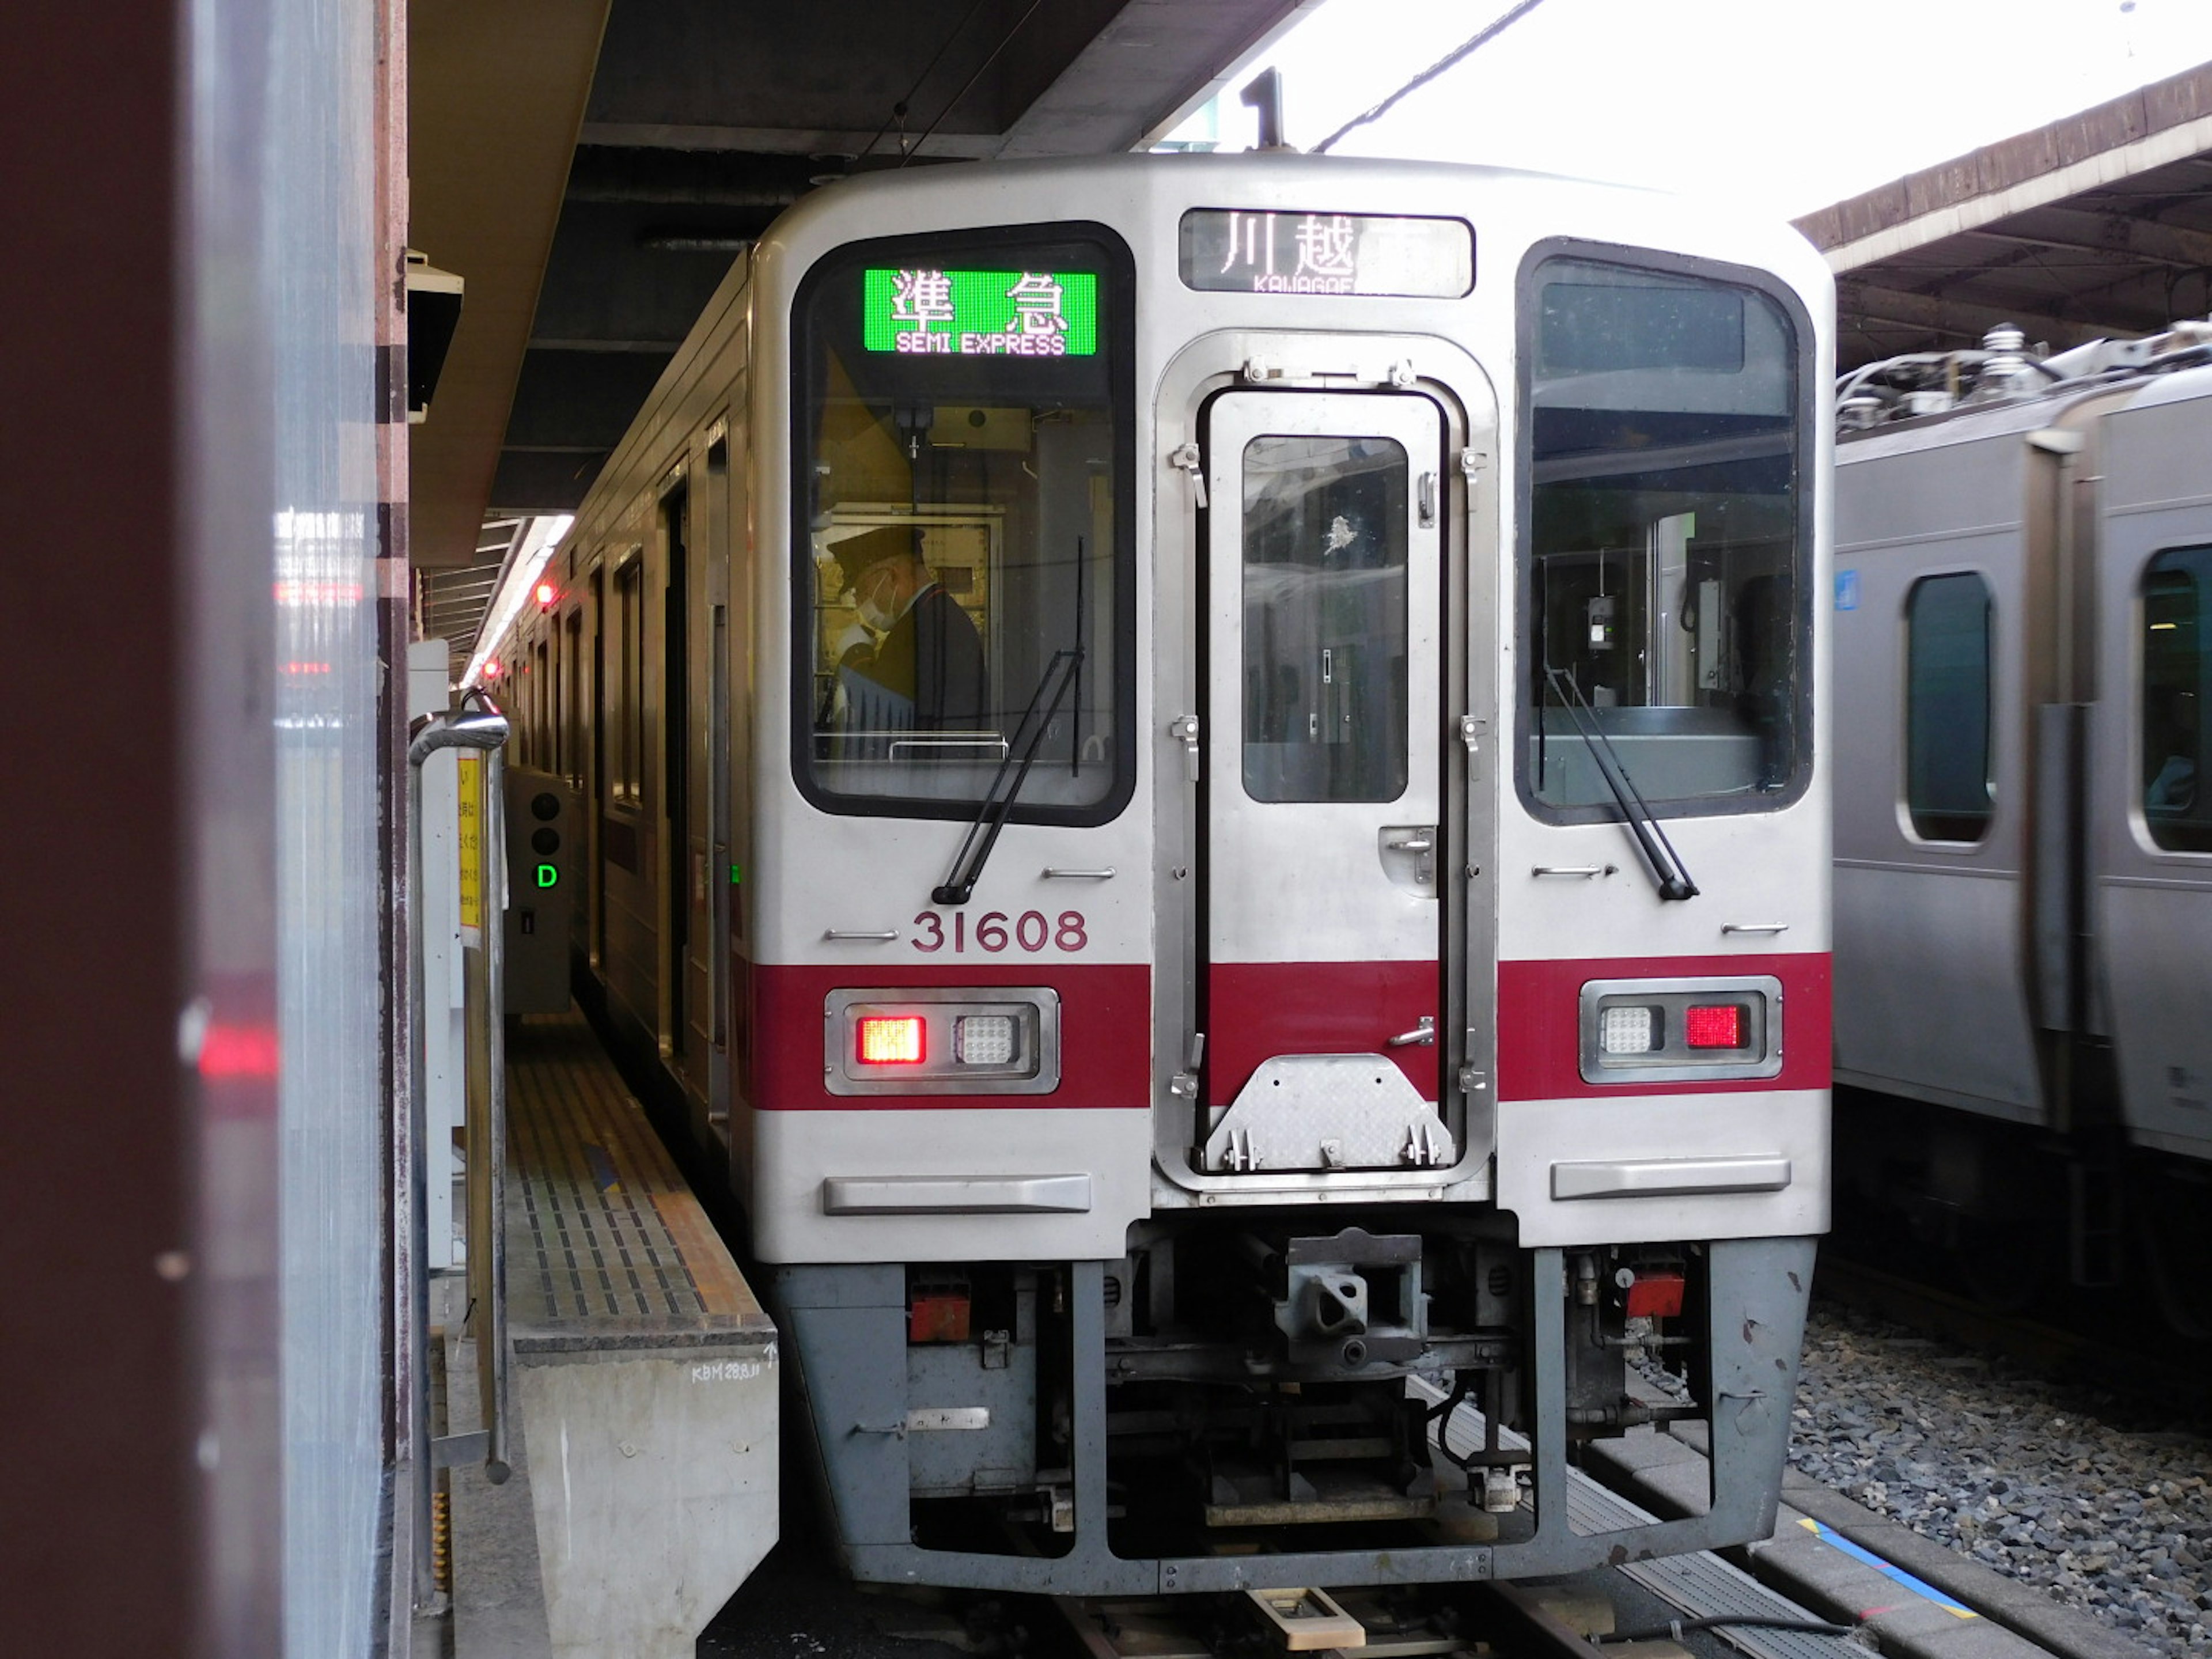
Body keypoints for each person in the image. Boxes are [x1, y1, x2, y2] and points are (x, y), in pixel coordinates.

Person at [828, 524, 987, 738]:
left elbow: (880, 711)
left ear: (892, 577)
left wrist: (855, 654)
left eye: (863, 589)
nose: (860, 603)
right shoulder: (935, 614)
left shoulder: (919, 628)